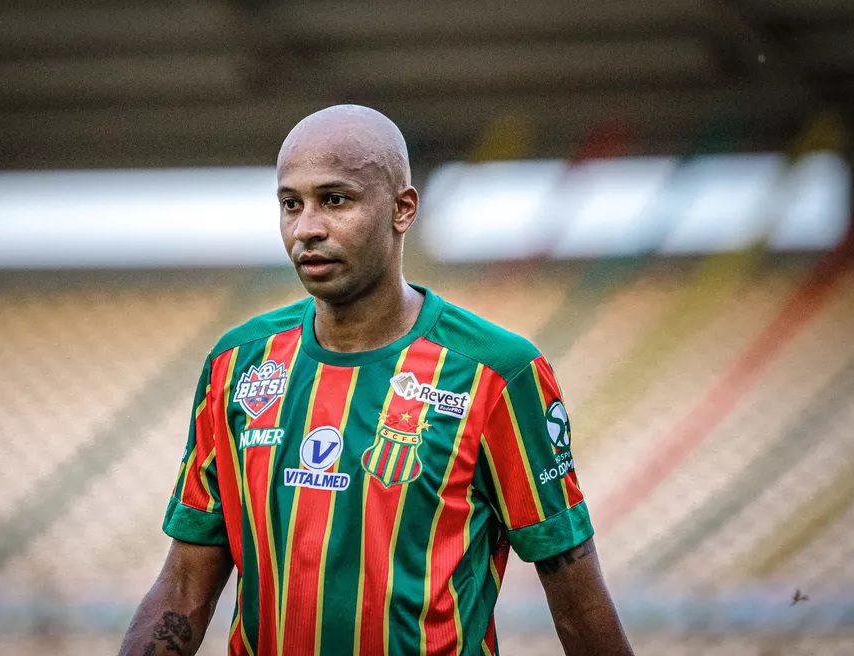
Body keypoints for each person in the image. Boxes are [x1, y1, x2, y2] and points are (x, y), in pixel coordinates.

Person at [119, 105, 633, 656]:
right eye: (291, 204)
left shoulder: (497, 374)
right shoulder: (239, 364)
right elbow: (184, 586)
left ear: (402, 209)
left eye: (335, 200)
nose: (307, 228)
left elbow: (577, 603)